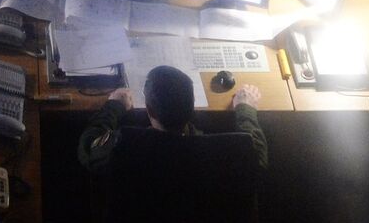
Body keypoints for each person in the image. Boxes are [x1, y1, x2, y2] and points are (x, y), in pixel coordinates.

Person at [77, 63, 269, 175]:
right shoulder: (214, 152)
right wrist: (246, 109)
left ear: (149, 110)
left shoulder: (124, 146)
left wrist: (114, 107)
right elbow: (258, 158)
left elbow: (88, 149)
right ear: (192, 105)